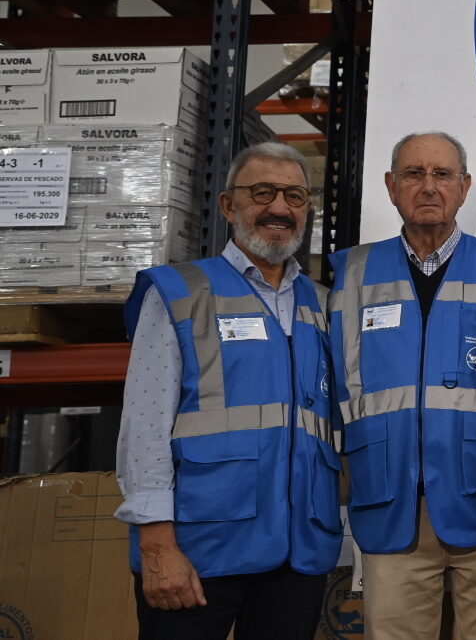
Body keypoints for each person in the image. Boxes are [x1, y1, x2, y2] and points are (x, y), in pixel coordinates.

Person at [115, 141, 339, 640]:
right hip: (199, 551)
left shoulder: (325, 306)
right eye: (262, 193)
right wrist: (156, 544)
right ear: (228, 205)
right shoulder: (179, 292)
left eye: (295, 196)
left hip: (297, 552)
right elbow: (146, 425)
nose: (279, 208)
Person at [327, 132, 476, 640]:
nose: (428, 186)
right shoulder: (350, 274)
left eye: (442, 174)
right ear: (390, 186)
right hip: (390, 502)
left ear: (464, 188)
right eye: (413, 174)